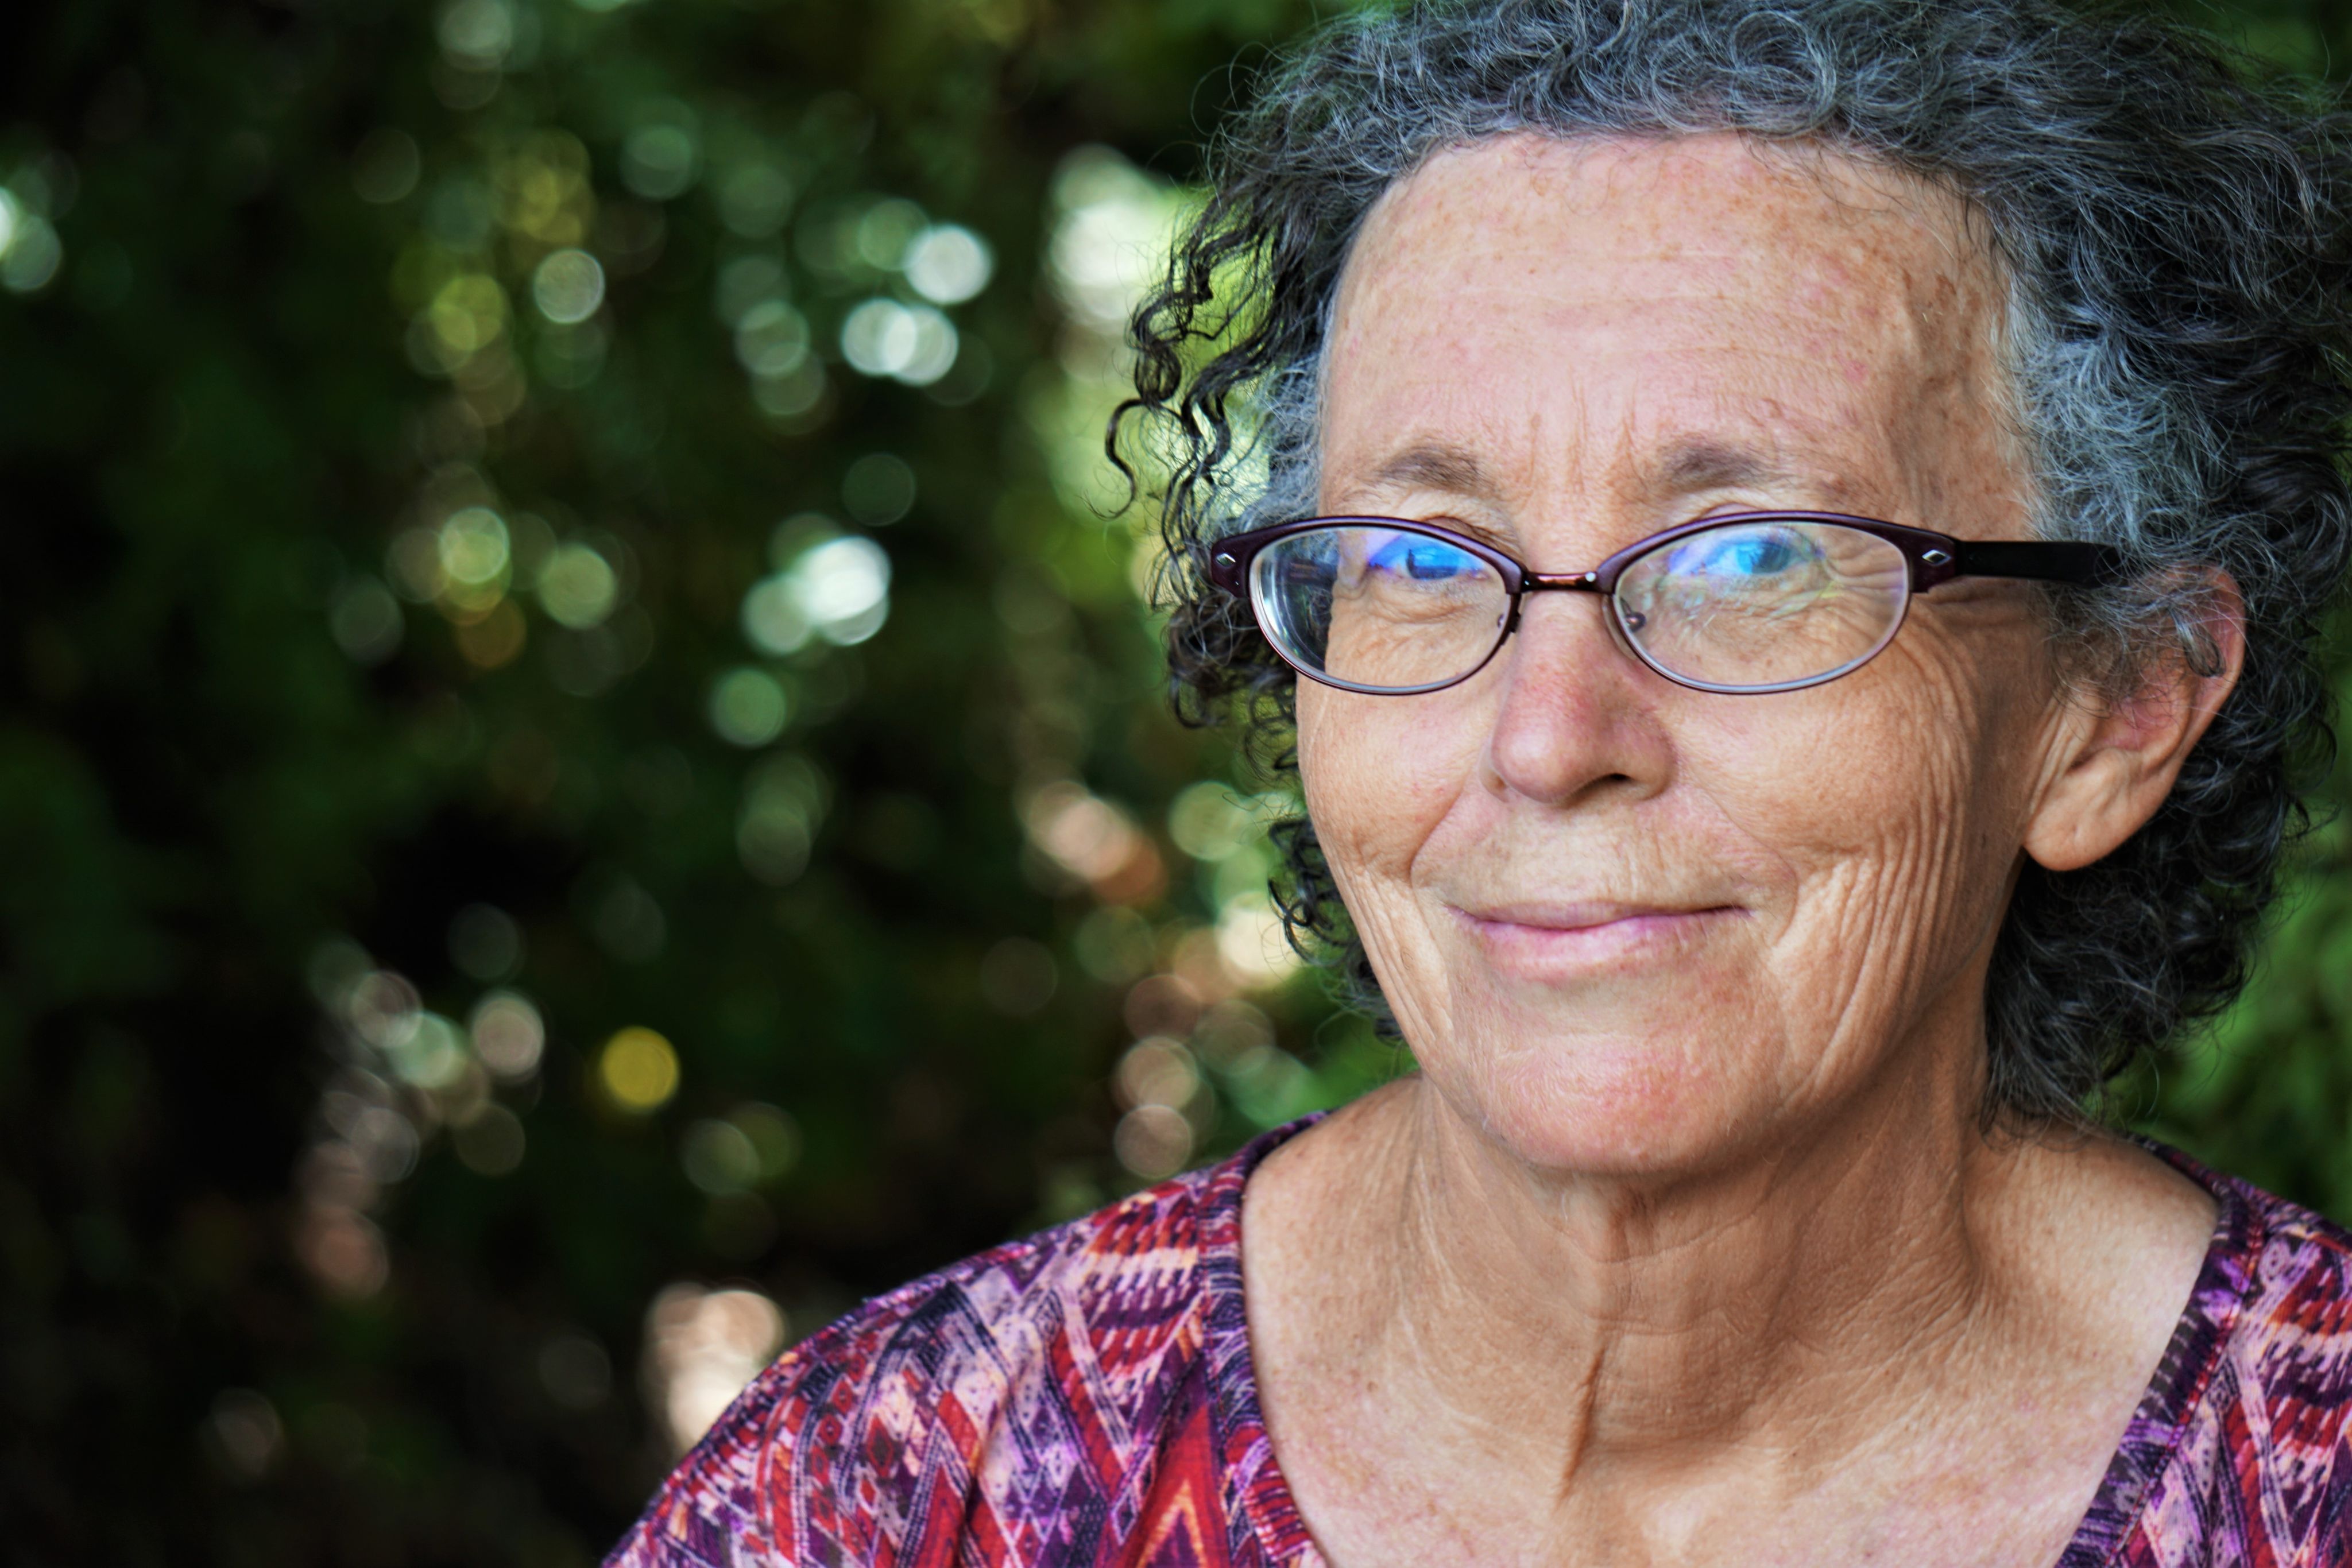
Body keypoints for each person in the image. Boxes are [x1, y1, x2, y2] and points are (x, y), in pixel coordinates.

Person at [610, 2, 2352, 1563]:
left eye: (1752, 561)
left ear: (2114, 703)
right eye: (1423, 559)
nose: (1548, 736)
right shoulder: (897, 1499)